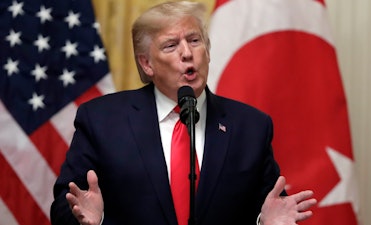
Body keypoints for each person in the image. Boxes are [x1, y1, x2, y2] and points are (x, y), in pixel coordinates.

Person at [50, 1, 317, 225]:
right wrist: (93, 219)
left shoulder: (251, 127)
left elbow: (267, 208)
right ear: (147, 63)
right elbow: (64, 206)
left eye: (194, 41)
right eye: (171, 46)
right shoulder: (102, 120)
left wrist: (264, 222)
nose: (187, 53)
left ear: (208, 51)